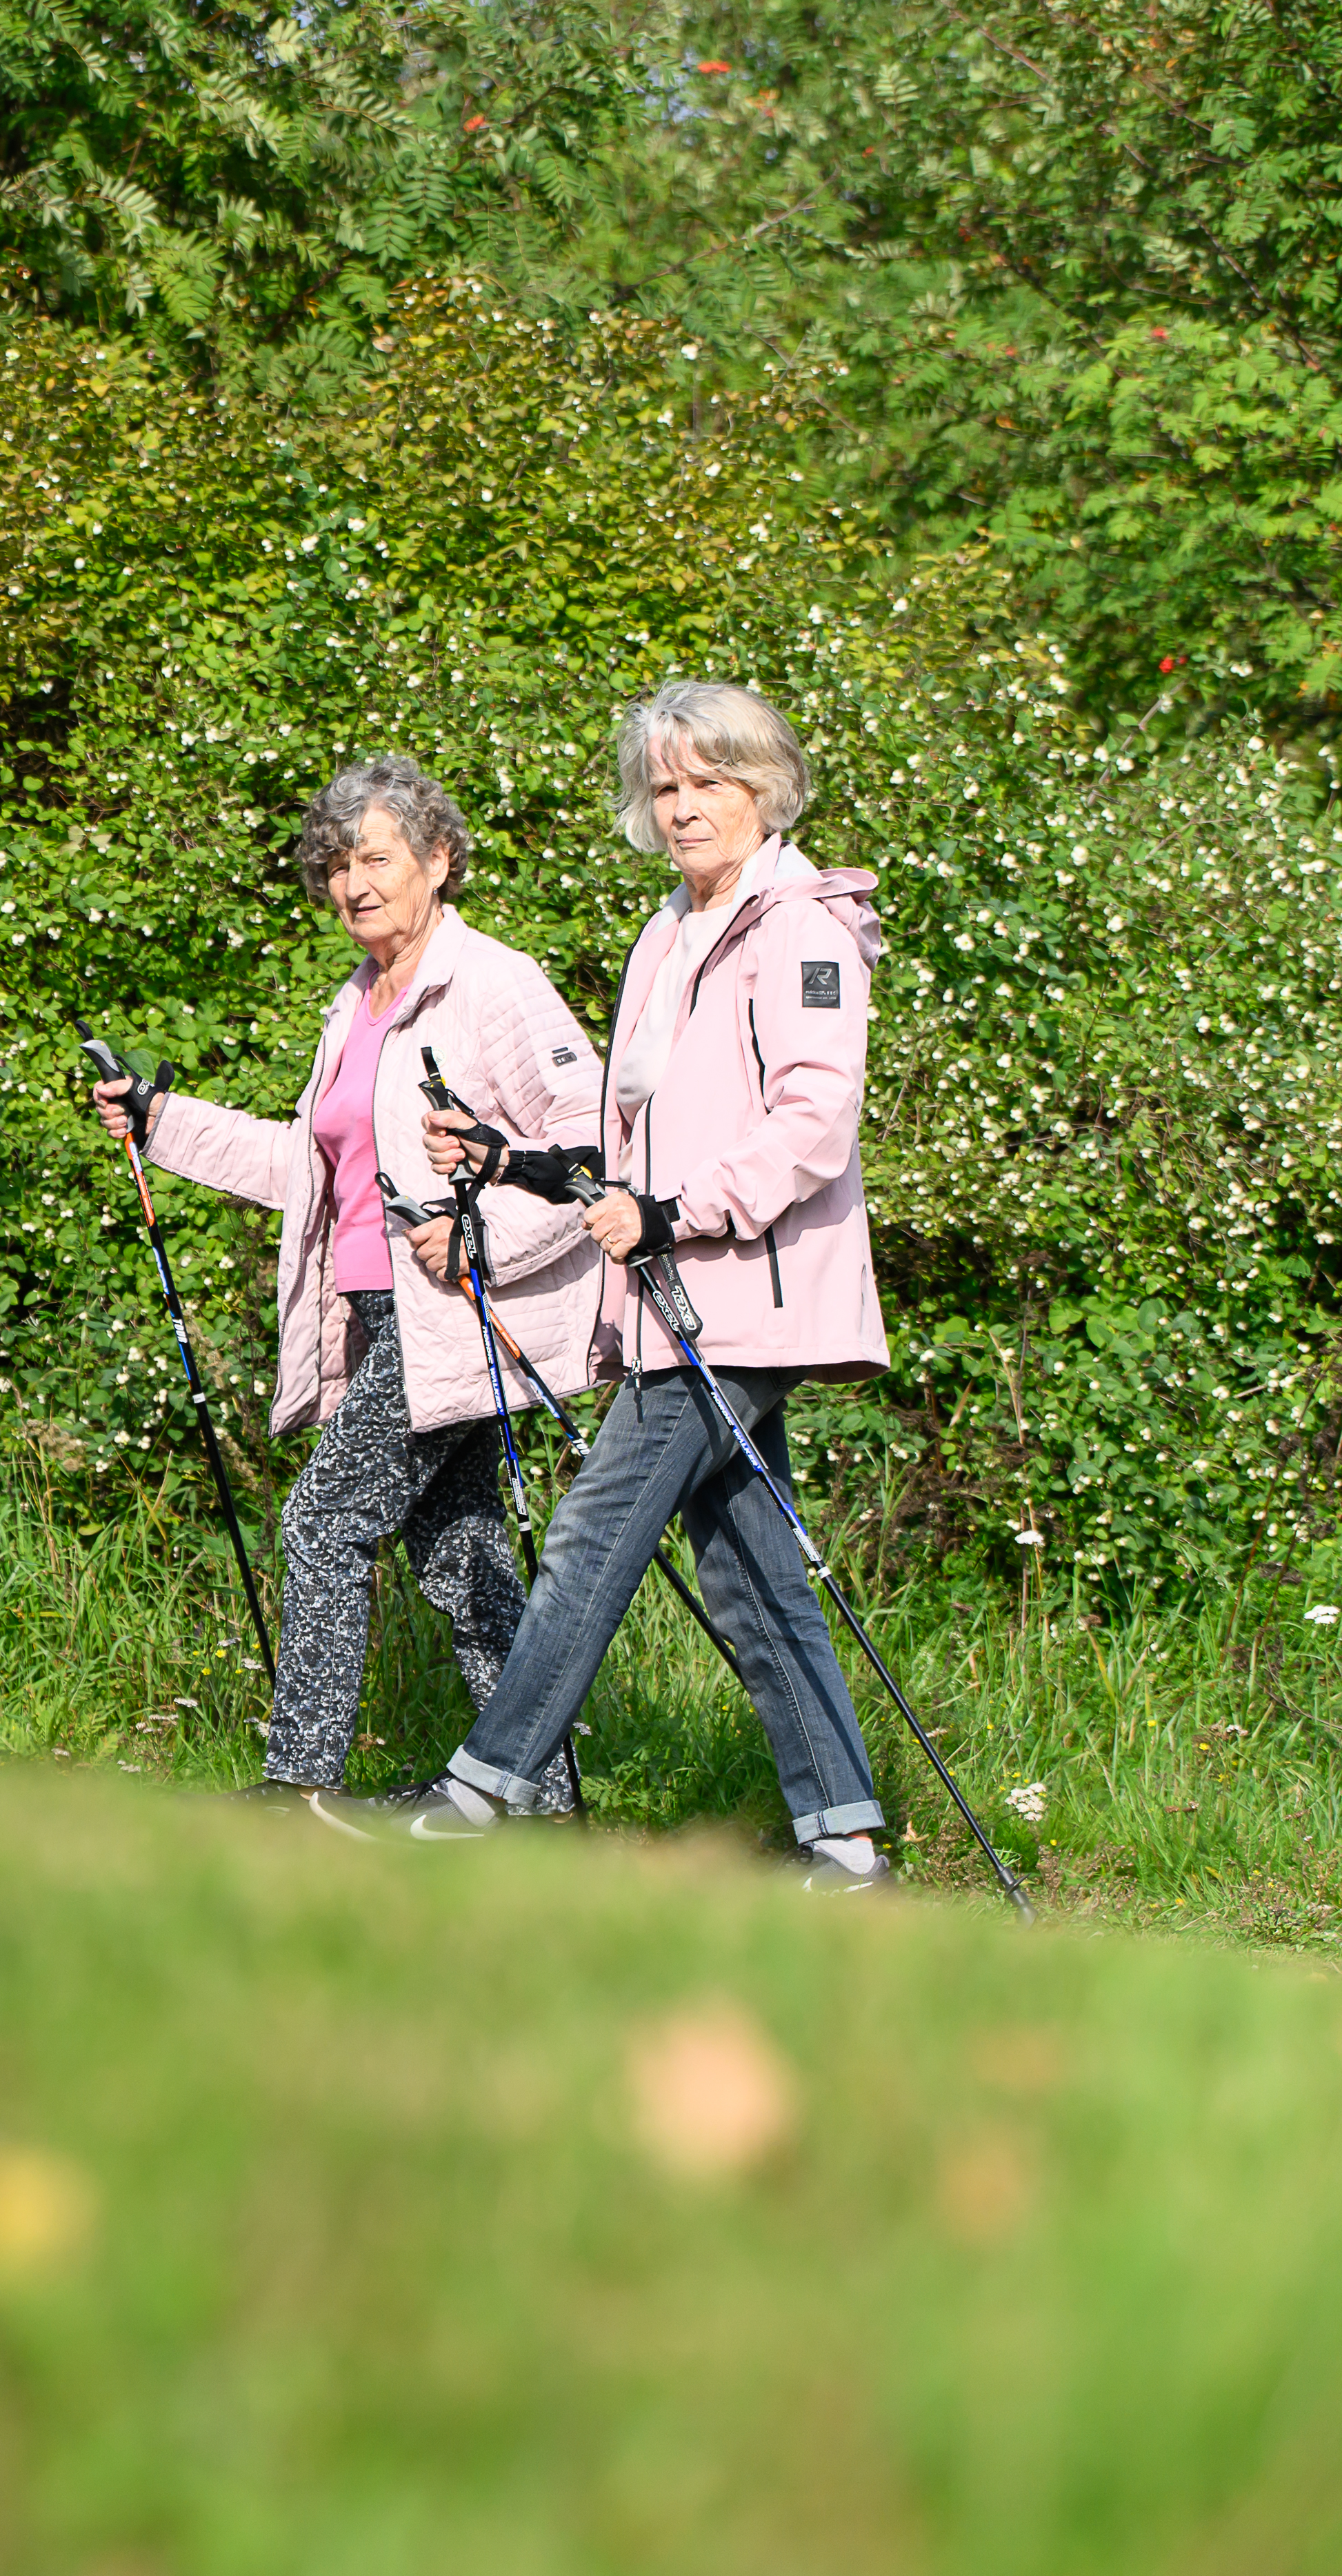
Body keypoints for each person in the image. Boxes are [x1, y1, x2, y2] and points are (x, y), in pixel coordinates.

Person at [399, 681, 894, 1886]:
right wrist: (510, 1160)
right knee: (744, 1568)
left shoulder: (801, 928)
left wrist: (679, 1212)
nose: (681, 808)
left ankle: (485, 1790)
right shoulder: (669, 934)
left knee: (594, 1529)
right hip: (673, 1296)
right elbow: (629, 1153)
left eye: (706, 782)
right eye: (662, 787)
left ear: (762, 788)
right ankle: (847, 1839)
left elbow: (813, 1125)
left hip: (744, 1297)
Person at [92, 756, 613, 1826]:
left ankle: (300, 1788)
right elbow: (309, 1170)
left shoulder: (494, 984)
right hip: (381, 1318)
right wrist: (159, 1119)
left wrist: (482, 1243)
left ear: (439, 860)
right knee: (461, 1555)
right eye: (334, 863)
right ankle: (541, 1799)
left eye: (374, 856)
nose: (351, 881)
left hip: (460, 1320)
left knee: (324, 1519)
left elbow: (592, 1143)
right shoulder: (356, 1005)